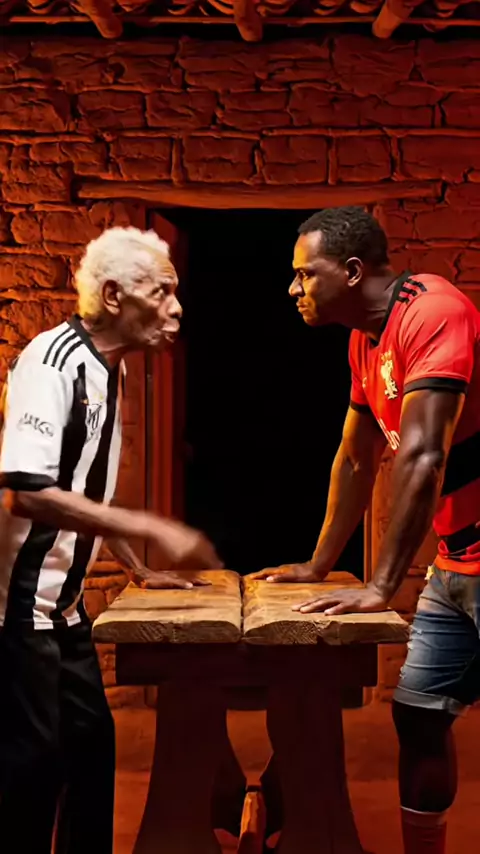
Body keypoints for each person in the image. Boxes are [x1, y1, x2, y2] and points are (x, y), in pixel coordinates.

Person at [251, 206, 480, 854]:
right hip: (457, 564)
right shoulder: (365, 341)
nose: (293, 288)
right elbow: (356, 458)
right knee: (419, 715)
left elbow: (424, 456)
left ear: (352, 272)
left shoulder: (434, 311)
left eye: (305, 274)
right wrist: (318, 564)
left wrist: (380, 587)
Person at [0, 226, 220, 854]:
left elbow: (85, 490)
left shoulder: (109, 368)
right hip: (17, 611)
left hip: (62, 610)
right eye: (163, 292)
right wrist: (148, 527)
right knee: (33, 767)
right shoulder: (52, 363)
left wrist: (136, 567)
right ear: (116, 295)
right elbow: (25, 490)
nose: (176, 308)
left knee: (92, 751)